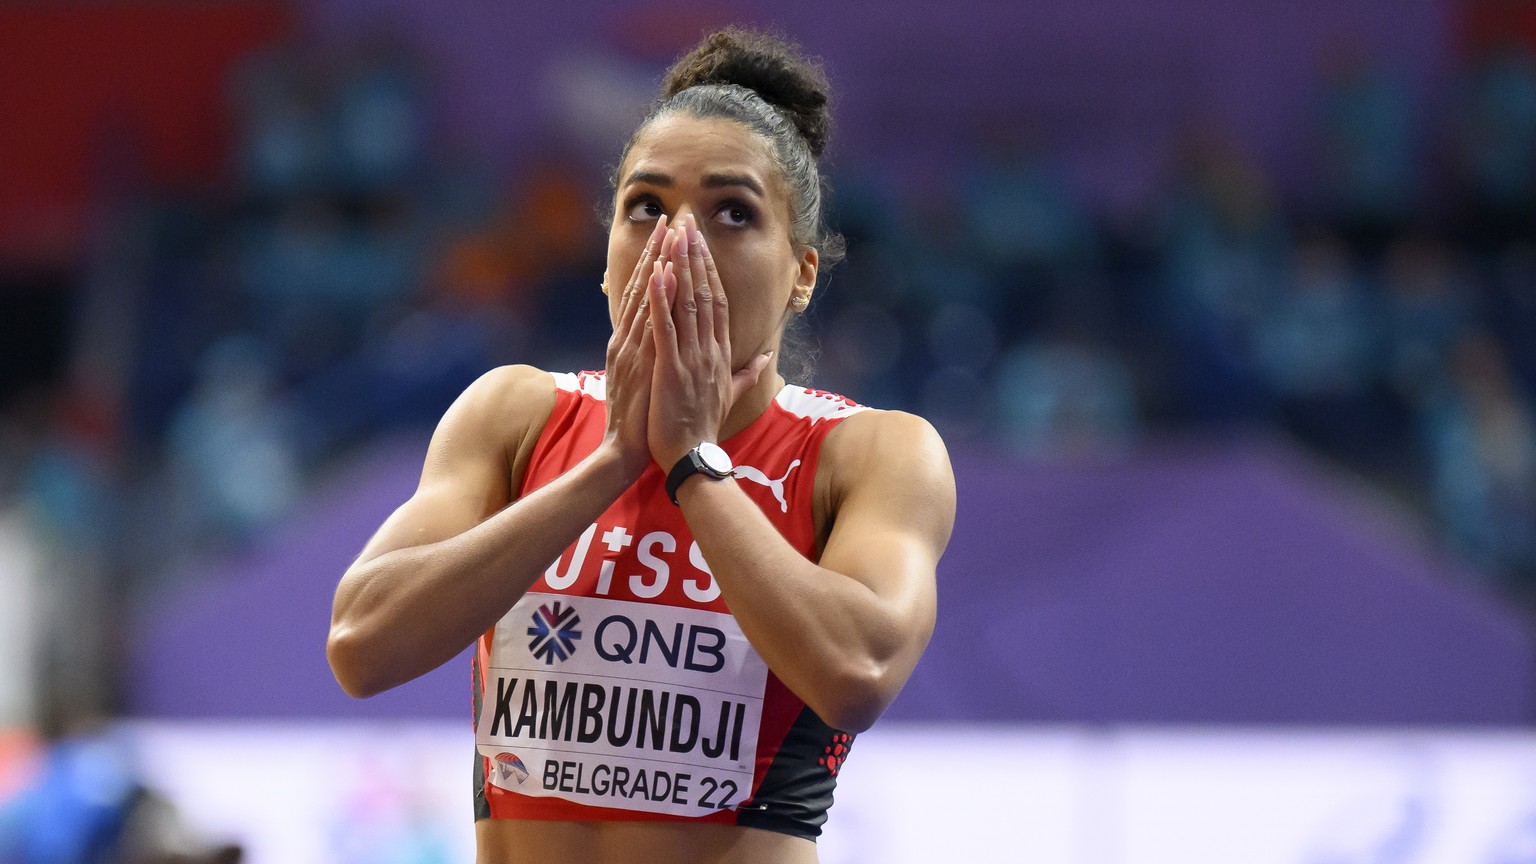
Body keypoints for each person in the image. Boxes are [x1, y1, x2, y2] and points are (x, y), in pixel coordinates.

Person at [326, 28, 955, 864]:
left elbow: (856, 675)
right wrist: (611, 465)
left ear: (801, 274)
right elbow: (362, 647)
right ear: (607, 257)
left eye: (733, 212)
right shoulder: (515, 413)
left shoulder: (870, 453)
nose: (677, 243)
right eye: (646, 207)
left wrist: (692, 463)